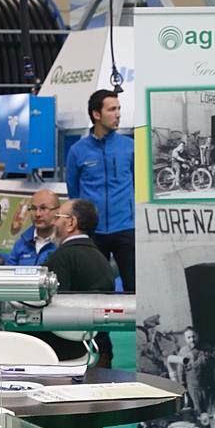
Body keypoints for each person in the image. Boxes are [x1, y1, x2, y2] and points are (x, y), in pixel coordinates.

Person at [65, 88, 135, 291]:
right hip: (93, 232)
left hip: (126, 228)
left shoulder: (130, 147)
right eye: (112, 109)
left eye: (119, 109)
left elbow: (138, 184)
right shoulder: (78, 151)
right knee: (97, 288)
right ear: (97, 114)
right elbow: (74, 191)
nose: (118, 114)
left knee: (133, 287)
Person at [42, 199, 115, 364]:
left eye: (58, 216)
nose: (54, 221)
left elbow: (45, 307)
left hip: (57, 354)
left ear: (71, 223)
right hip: (85, 348)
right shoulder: (101, 259)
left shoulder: (61, 258)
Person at [5, 189, 59, 266]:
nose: (37, 214)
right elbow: (8, 274)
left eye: (43, 208)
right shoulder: (21, 243)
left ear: (58, 212)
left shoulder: (64, 244)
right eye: (33, 208)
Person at [179, 326, 215, 416]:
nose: (192, 340)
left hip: (209, 387)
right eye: (189, 337)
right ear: (185, 339)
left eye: (194, 336)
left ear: (198, 336)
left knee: (213, 413)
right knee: (199, 413)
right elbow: (180, 372)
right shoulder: (183, 352)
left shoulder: (207, 348)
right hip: (193, 389)